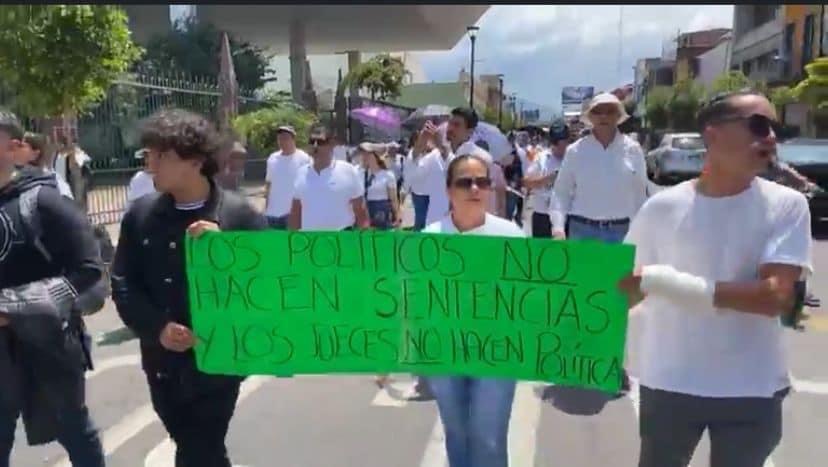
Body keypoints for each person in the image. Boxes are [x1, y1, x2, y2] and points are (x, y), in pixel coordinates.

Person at [619, 90, 812, 467]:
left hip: (752, 389)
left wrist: (664, 281)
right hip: (669, 382)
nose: (770, 137)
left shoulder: (788, 205)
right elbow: (623, 290)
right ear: (713, 135)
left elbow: (775, 297)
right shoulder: (660, 208)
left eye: (775, 127)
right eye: (758, 125)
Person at [111, 108, 267, 467]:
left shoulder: (240, 216)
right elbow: (123, 284)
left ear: (196, 161)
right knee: (195, 447)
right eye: (149, 154)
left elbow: (268, 288)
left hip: (218, 363)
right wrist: (157, 328)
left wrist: (230, 252)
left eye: (162, 155)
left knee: (200, 446)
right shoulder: (140, 215)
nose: (152, 164)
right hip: (161, 362)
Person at [0, 110, 106, 467]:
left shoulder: (44, 201)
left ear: (16, 149)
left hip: (50, 342)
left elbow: (89, 272)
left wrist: (14, 308)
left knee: (73, 428)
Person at [423, 153, 524, 467]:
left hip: (496, 352)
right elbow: (413, 303)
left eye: (482, 181)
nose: (475, 189)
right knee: (457, 432)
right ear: (449, 190)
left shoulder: (512, 236)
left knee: (489, 436)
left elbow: (528, 299)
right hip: (444, 352)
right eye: (465, 182)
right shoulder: (429, 239)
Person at [550, 92, 648, 242]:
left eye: (609, 112)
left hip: (621, 233)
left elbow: (640, 196)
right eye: (597, 112)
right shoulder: (575, 151)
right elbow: (561, 192)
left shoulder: (633, 150)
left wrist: (641, 232)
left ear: (618, 116)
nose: (603, 116)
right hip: (581, 231)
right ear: (590, 117)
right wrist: (558, 228)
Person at [289, 124, 369, 231]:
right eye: (312, 142)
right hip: (311, 242)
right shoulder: (301, 173)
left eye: (321, 142)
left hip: (341, 241)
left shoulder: (348, 171)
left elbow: (360, 211)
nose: (315, 146)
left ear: (332, 144)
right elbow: (296, 212)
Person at [523, 124, 569, 238]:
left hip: (566, 215)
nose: (560, 147)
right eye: (557, 144)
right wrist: (547, 179)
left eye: (563, 143)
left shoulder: (573, 158)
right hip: (543, 215)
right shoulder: (542, 158)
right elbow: (526, 182)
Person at [264, 126, 311, 229]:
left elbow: (309, 186)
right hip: (272, 214)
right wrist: (266, 208)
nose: (282, 141)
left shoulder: (304, 159)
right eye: (279, 138)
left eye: (285, 138)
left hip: (292, 213)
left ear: (293, 139)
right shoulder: (272, 158)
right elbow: (268, 184)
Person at [14, 132, 73, 198]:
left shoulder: (56, 184)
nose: (16, 150)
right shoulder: (11, 178)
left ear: (35, 153)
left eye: (22, 146)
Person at [357, 142, 400, 230]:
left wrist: (397, 216)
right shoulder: (360, 173)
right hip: (365, 214)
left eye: (367, 154)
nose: (363, 157)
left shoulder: (388, 175)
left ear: (375, 156)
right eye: (363, 154)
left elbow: (393, 199)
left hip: (382, 215)